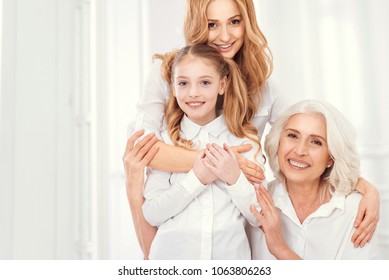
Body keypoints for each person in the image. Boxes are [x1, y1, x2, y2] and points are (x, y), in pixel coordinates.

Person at [122, 0, 379, 259]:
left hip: (234, 242)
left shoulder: (263, 87)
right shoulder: (167, 72)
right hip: (174, 237)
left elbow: (303, 140)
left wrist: (366, 188)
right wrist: (220, 163)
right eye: (212, 24)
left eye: (235, 21)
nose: (225, 36)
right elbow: (142, 150)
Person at [141, 44, 263, 259]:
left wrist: (233, 176)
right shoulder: (165, 143)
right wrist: (197, 178)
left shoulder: (245, 141)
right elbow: (152, 213)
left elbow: (258, 215)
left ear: (222, 85)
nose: (193, 93)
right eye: (183, 83)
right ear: (173, 87)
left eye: (205, 82)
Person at [249, 100, 378, 259]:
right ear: (279, 142)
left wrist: (281, 249)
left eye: (316, 142)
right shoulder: (254, 201)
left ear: (331, 157)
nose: (300, 150)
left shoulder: (357, 211)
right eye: (293, 136)